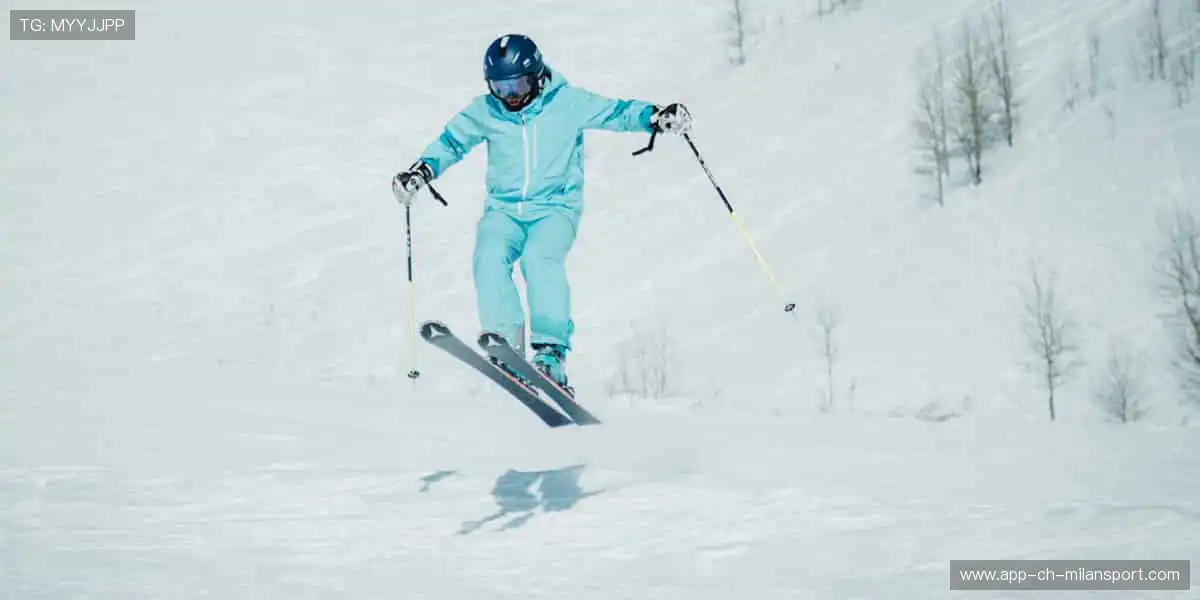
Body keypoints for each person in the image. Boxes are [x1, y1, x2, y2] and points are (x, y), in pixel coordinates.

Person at [392, 33, 692, 394]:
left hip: (555, 209)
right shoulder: (486, 110)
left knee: (539, 259)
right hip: (503, 211)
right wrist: (421, 170)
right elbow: (452, 141)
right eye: (500, 88)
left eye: (517, 84)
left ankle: (550, 354)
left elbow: (617, 112)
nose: (510, 96)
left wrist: (654, 117)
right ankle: (507, 347)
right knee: (487, 258)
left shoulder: (567, 103)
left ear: (536, 77)